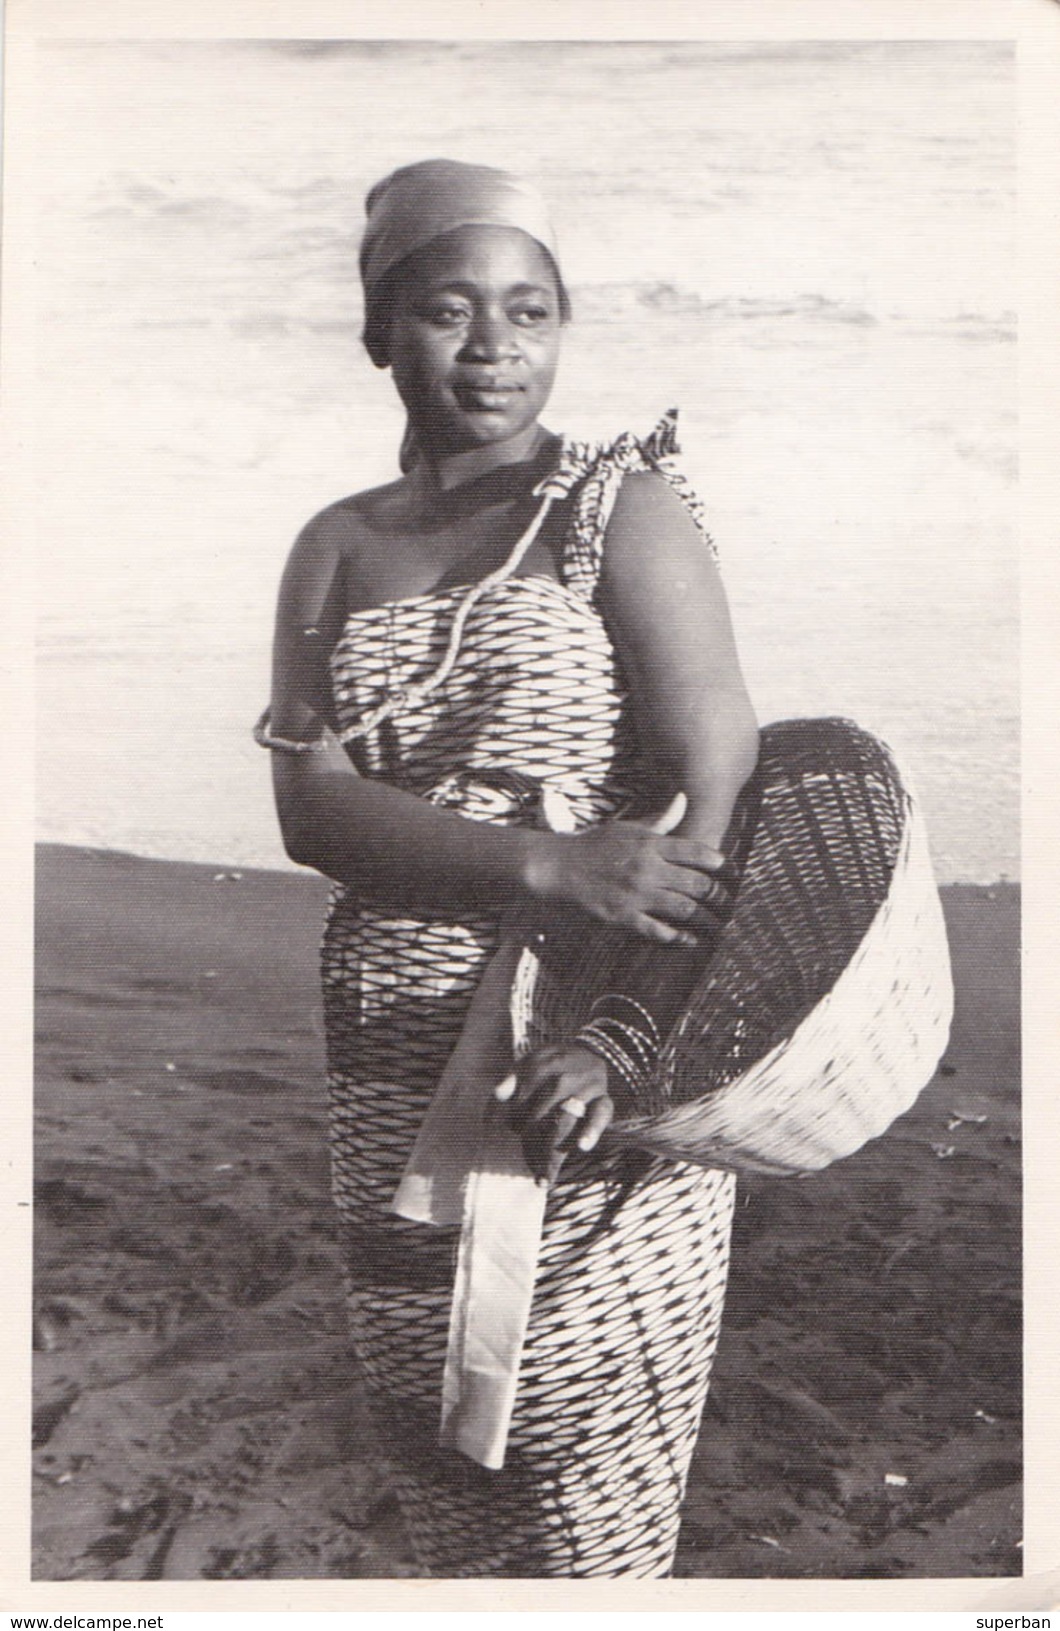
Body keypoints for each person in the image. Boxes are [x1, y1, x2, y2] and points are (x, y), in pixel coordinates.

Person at [257, 159, 759, 1578]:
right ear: (380, 328)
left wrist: (622, 1042)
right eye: (449, 310)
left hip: (582, 1032)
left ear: (564, 329)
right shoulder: (335, 548)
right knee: (441, 1462)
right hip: (389, 1042)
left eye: (529, 312)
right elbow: (311, 805)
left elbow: (723, 785)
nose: (493, 349)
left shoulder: (620, 512)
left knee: (574, 1463)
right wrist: (544, 862)